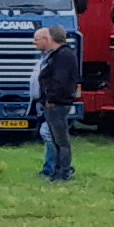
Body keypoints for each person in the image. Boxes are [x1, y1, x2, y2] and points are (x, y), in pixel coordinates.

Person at [31, 24, 83, 181]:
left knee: (61, 140)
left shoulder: (63, 56)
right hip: (55, 103)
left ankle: (64, 171)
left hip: (57, 104)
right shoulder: (58, 55)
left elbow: (60, 81)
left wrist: (50, 98)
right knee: (55, 139)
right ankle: (57, 170)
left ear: (51, 38)